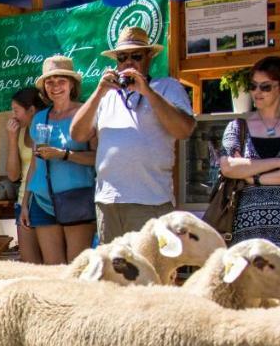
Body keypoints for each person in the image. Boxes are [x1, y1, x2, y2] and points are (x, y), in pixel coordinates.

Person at [70, 26, 195, 243]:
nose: (128, 63)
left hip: (150, 200)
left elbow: (184, 130)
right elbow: (78, 134)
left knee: (150, 271)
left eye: (136, 56)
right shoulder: (106, 94)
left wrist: (147, 91)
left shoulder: (166, 87)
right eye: (122, 57)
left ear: (149, 57)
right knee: (113, 273)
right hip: (108, 201)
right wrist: (99, 91)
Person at [219, 56, 280, 251]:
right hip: (249, 227)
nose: (257, 92)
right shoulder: (237, 126)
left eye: (265, 87)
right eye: (253, 86)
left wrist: (255, 178)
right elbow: (228, 167)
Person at [20, 56, 97, 264]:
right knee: (53, 270)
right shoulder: (39, 118)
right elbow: (35, 164)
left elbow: (98, 159)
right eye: (50, 82)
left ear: (72, 84)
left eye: (61, 81)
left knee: (76, 269)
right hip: (42, 201)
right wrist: (25, 202)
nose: (55, 87)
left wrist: (63, 155)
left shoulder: (86, 113)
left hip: (77, 200)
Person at [5, 87, 46, 260]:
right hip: (23, 201)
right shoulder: (21, 132)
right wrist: (13, 140)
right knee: (30, 265)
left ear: (31, 110)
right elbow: (13, 175)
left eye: (16, 110)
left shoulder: (45, 128)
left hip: (44, 199)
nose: (13, 116)